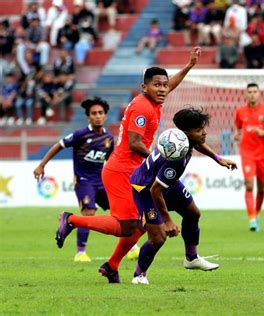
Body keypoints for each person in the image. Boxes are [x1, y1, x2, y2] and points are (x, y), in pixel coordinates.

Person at [54, 47, 201, 283]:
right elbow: (134, 143)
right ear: (145, 87)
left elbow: (168, 85)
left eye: (164, 85)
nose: (163, 89)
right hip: (122, 170)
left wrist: (189, 65)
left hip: (133, 170)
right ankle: (71, 219)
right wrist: (158, 155)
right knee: (126, 226)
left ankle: (112, 266)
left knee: (142, 226)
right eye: (157, 85)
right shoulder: (143, 108)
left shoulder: (153, 99)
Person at [130, 107, 238, 285]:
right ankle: (139, 275)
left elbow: (198, 142)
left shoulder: (183, 138)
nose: (204, 132)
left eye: (203, 128)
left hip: (163, 182)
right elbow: (155, 190)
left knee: (193, 213)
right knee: (158, 238)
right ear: (187, 132)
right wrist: (168, 220)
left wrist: (218, 158)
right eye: (199, 130)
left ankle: (191, 258)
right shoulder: (177, 158)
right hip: (145, 188)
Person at [34, 97, 114, 262]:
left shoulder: (109, 139)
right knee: (89, 213)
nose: (98, 116)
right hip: (84, 181)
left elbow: (111, 161)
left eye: (100, 113)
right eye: (94, 113)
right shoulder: (81, 134)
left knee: (121, 210)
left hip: (102, 181)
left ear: (105, 116)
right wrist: (42, 165)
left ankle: (131, 247)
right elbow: (58, 145)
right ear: (88, 117)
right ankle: (80, 253)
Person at [234, 83, 264, 232]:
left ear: (259, 94)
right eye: (250, 92)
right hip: (247, 153)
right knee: (249, 185)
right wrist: (237, 134)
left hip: (263, 155)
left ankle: (256, 214)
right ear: (246, 94)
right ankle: (252, 219)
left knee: (261, 188)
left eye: (255, 91)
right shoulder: (240, 111)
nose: (252, 94)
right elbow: (237, 127)